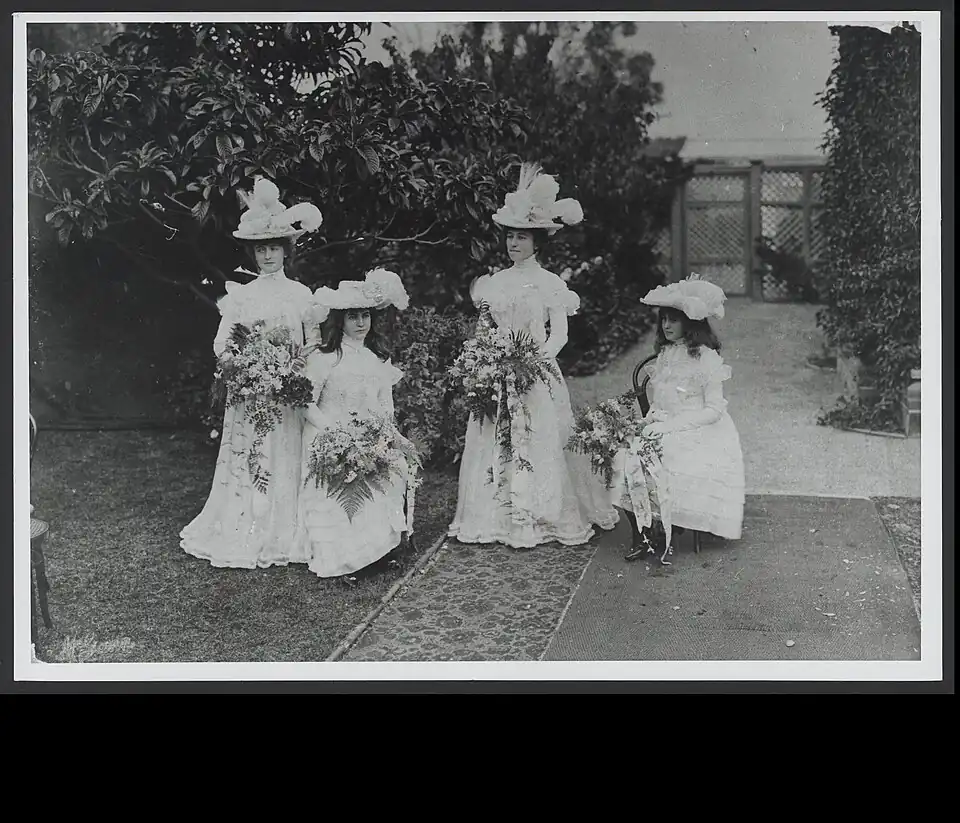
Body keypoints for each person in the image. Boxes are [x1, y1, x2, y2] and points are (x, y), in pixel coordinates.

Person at [448, 162, 619, 549]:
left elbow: (560, 333)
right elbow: (484, 328)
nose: (513, 244)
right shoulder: (495, 282)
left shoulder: (549, 283)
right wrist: (483, 359)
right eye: (510, 236)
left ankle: (541, 516)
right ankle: (494, 519)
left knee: (541, 441)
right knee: (493, 439)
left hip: (536, 373)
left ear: (537, 242)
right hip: (496, 372)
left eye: (521, 237)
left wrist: (533, 362)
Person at [180, 178, 322, 569]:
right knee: (253, 458)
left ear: (286, 250)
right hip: (251, 396)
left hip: (288, 394)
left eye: (274, 247)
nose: (268, 255)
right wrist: (245, 368)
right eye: (261, 249)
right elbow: (222, 345)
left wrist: (290, 370)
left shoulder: (301, 295)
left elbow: (313, 343)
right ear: (253, 253)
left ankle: (283, 528)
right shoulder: (242, 295)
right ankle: (248, 526)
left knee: (285, 456)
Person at [294, 269, 416, 579]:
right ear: (340, 321)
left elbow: (385, 407)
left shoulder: (376, 359)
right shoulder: (325, 358)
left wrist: (390, 436)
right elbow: (306, 404)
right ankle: (350, 556)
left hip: (365, 436)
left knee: (392, 464)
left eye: (365, 315)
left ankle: (381, 549)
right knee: (345, 476)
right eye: (353, 317)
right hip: (327, 436)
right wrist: (335, 434)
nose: (361, 322)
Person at [614, 275, 745, 562]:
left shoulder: (706, 358)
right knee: (625, 454)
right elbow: (661, 401)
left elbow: (713, 410)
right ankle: (643, 534)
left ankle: (672, 521)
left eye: (673, 320)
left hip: (700, 429)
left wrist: (670, 427)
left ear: (691, 323)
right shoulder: (666, 354)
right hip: (666, 424)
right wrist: (648, 421)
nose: (666, 325)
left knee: (667, 457)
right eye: (663, 319)